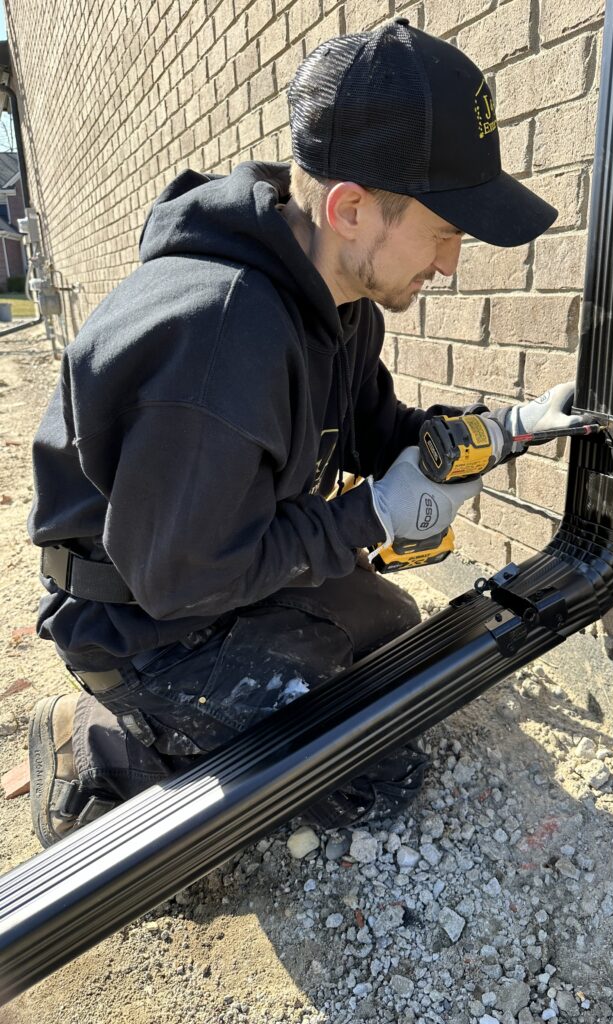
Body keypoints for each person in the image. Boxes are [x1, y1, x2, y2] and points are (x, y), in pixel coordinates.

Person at [26, 19, 581, 848]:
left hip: (216, 551)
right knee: (370, 774)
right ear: (352, 209)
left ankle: (198, 724)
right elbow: (180, 578)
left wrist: (500, 432)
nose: (452, 265)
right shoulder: (217, 338)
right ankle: (102, 743)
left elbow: (374, 430)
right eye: (445, 232)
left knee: (396, 644)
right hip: (146, 618)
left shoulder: (338, 299)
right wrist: (375, 519)